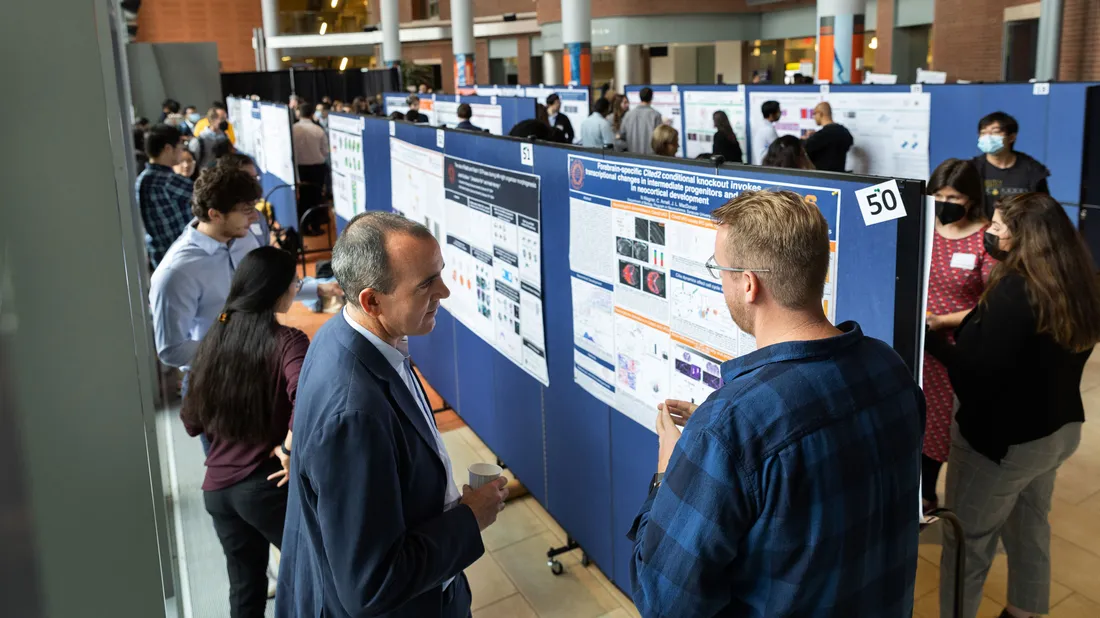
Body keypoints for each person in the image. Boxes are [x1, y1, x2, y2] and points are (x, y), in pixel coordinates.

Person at [629, 189, 924, 617]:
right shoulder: (889, 367)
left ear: (749, 284)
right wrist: (721, 457)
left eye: (721, 270)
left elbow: (663, 603)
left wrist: (669, 469)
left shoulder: (729, 426)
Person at [277, 212, 509, 618]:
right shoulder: (355, 414)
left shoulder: (344, 333)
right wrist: (470, 519)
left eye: (439, 273)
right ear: (372, 300)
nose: (445, 291)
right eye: (426, 284)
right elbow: (371, 585)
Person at [926, 193, 1100, 618]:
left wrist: (933, 343)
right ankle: (1026, 610)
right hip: (1057, 431)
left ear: (1026, 239)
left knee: (969, 541)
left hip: (1001, 444)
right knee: (1030, 527)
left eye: (1000, 228)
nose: (991, 233)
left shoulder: (1015, 291)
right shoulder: (1076, 281)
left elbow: (974, 372)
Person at [181, 246, 308, 618]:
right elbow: (309, 396)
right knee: (320, 572)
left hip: (218, 492)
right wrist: (287, 448)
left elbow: (191, 422)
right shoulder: (288, 341)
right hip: (265, 487)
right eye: (294, 281)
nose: (297, 287)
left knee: (245, 591)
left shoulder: (212, 342)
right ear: (276, 289)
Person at [148, 166, 338, 399]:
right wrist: (237, 348)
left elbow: (264, 286)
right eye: (247, 210)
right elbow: (172, 349)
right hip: (216, 385)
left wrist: (318, 288)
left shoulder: (243, 238)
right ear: (215, 214)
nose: (255, 217)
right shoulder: (176, 272)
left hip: (259, 371)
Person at [920, 159, 994, 513]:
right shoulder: (922, 227)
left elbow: (993, 303)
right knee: (911, 416)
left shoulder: (987, 237)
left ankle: (927, 496)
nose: (945, 202)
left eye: (954, 197)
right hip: (913, 341)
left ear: (972, 198)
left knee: (938, 423)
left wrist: (943, 320)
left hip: (954, 347)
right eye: (939, 195)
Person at [971, 111, 1050, 217]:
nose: (988, 137)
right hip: (983, 230)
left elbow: (1043, 207)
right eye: (983, 133)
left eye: (995, 132)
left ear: (1011, 137)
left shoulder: (1032, 169)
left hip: (1022, 230)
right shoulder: (971, 168)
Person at [136, 123, 193, 267]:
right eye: (180, 146)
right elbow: (205, 195)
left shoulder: (142, 179)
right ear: (168, 149)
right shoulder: (168, 180)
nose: (182, 150)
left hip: (159, 256)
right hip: (181, 257)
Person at [292, 100, 330, 235]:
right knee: (316, 197)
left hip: (299, 169)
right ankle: (315, 226)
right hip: (317, 169)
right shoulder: (318, 130)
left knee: (303, 198)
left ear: (299, 114)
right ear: (312, 114)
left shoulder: (293, 129)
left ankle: (302, 227)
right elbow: (325, 152)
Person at [805, 102, 853, 172]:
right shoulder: (844, 132)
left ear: (820, 114)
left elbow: (805, 150)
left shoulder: (821, 136)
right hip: (840, 177)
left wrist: (807, 139)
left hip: (822, 178)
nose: (814, 117)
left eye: (814, 114)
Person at [620, 87, 663, 154]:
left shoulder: (628, 115)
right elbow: (660, 139)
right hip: (651, 157)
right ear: (651, 98)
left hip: (632, 156)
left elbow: (622, 135)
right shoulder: (656, 115)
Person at [751, 100, 781, 164]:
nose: (780, 113)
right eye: (778, 111)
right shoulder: (768, 129)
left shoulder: (761, 126)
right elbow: (779, 149)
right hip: (766, 166)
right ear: (771, 114)